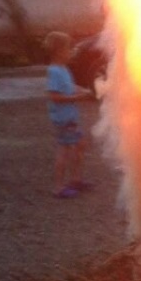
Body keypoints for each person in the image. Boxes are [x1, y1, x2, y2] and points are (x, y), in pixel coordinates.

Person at [44, 30, 93, 198]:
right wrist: (77, 97)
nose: (71, 52)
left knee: (80, 145)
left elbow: (70, 87)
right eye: (69, 49)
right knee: (64, 150)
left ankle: (76, 180)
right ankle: (58, 188)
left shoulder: (63, 69)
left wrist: (84, 90)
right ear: (59, 51)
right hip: (63, 120)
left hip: (70, 118)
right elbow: (54, 96)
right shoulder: (54, 71)